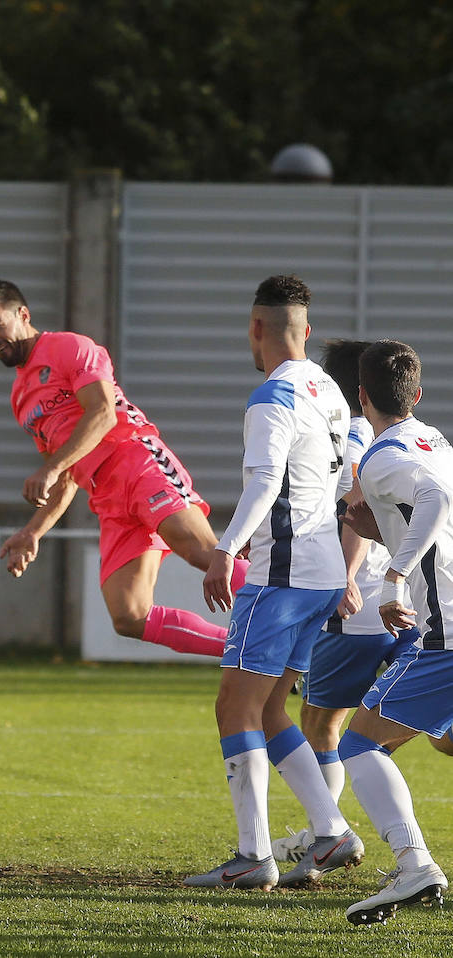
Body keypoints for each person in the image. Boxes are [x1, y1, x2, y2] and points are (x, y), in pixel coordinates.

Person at [0, 279, 246, 657]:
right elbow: (65, 478)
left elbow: (104, 413)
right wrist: (33, 532)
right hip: (107, 497)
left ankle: (318, 616)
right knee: (128, 615)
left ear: (23, 315)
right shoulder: (21, 396)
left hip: (137, 462)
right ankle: (252, 653)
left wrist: (52, 468)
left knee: (199, 551)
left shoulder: (69, 347)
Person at [186, 274, 363, 891]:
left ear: (255, 328)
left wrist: (223, 550)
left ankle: (252, 855)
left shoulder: (271, 397)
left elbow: (264, 483)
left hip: (280, 576)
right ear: (307, 331)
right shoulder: (331, 392)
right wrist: (348, 568)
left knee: (234, 706)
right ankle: (332, 830)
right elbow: (348, 488)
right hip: (320, 576)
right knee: (266, 709)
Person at [270, 339, 434, 866]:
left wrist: (353, 576)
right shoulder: (421, 438)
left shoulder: (359, 441)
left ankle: (331, 833)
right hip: (412, 610)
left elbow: (361, 507)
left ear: (352, 393)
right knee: (428, 734)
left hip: (362, 606)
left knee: (329, 729)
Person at [333, 339, 450, 924]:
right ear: (419, 395)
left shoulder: (381, 458)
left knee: (358, 741)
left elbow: (436, 498)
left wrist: (396, 575)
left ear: (360, 397)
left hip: (446, 631)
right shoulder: (437, 441)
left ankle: (414, 866)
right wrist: (382, 538)